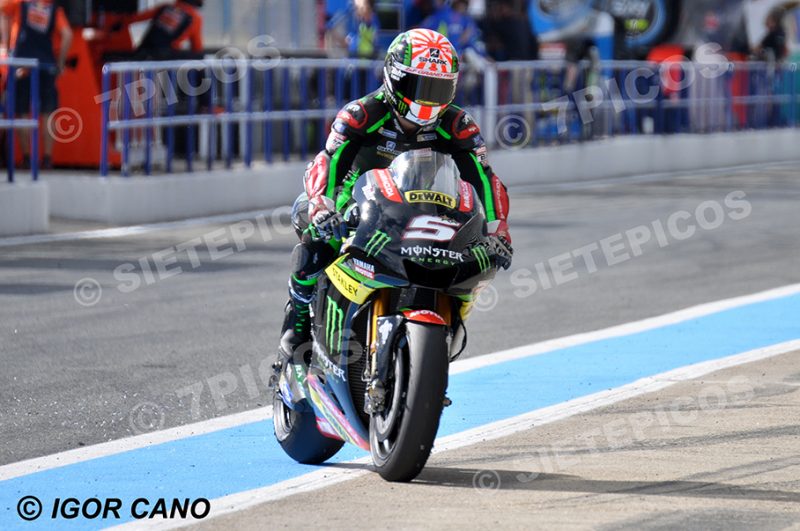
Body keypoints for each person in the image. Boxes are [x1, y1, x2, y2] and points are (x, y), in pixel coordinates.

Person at [278, 28, 513, 361]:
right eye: (419, 87)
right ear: (394, 77)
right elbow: (329, 162)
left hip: (424, 206)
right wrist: (322, 206)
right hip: (355, 201)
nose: (428, 100)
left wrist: (498, 229)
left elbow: (484, 179)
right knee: (317, 239)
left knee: (469, 252)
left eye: (438, 89)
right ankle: (298, 318)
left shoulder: (458, 124)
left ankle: (439, 320)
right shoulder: (362, 114)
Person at [0, 0, 72, 169]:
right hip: (46, 65)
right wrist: (60, 63)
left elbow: (3, 12)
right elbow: (67, 34)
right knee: (48, 113)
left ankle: (26, 159)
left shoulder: (19, 3)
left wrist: (5, 44)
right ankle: (47, 159)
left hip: (21, 64)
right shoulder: (54, 9)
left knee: (22, 112)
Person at [126, 0, 204, 58]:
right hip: (166, 59)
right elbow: (197, 48)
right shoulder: (195, 18)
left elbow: (133, 19)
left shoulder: (164, 8)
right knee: (199, 56)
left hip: (143, 53)